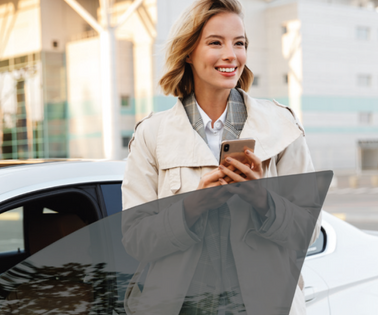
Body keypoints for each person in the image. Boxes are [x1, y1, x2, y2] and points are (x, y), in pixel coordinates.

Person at [121, 0, 321, 314]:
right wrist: (191, 206)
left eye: (239, 43)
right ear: (189, 51)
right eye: (216, 42)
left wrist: (262, 200)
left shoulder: (282, 127)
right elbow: (135, 241)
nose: (231, 54)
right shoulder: (151, 135)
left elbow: (308, 232)